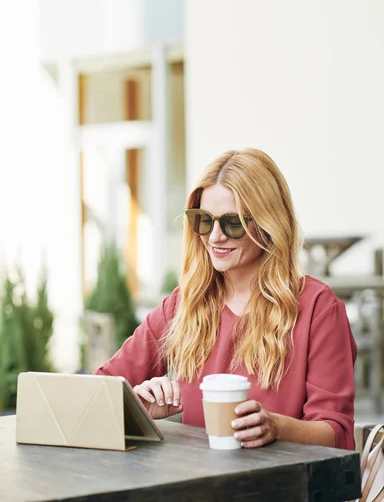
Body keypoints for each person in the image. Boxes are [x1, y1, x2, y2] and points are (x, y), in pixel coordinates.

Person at [94, 148, 357, 450]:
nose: (215, 237)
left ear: (268, 223)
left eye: (232, 223)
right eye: (203, 221)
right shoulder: (184, 306)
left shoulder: (317, 308)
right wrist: (137, 409)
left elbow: (337, 433)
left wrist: (276, 426)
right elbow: (99, 391)